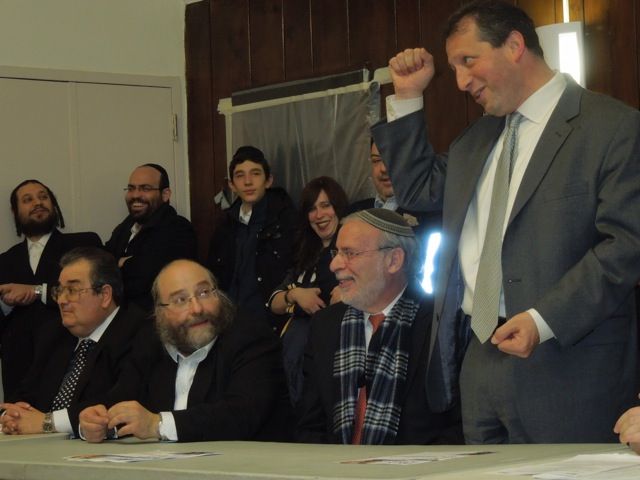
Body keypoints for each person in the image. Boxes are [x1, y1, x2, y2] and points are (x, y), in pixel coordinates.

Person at [371, 0, 640, 443]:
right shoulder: (475, 140)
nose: (459, 81)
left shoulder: (611, 127)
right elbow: (418, 190)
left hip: (568, 364)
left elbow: (626, 246)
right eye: (454, 66)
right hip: (479, 361)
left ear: (515, 45)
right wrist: (406, 96)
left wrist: (543, 319)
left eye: (468, 60)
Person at [296, 209, 462, 445]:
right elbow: (310, 425)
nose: (334, 264)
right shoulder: (325, 325)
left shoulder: (443, 324)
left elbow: (459, 427)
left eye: (349, 253)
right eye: (336, 252)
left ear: (394, 260)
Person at [78, 259, 290, 443]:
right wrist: (96, 422)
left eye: (204, 293)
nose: (197, 309)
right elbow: (121, 398)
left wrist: (158, 425)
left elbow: (240, 415)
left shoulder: (250, 337)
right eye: (180, 300)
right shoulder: (150, 343)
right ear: (160, 313)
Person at [0, 247, 146, 436]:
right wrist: (11, 415)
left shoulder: (139, 331)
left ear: (105, 295)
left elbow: (119, 401)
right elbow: (25, 394)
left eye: (72, 290)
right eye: (59, 291)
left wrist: (47, 422)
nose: (62, 300)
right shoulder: (54, 335)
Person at [0, 179, 101, 399]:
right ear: (15, 211)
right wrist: (5, 304)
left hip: (71, 365)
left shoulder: (83, 244)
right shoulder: (4, 261)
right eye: (28, 200)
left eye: (43, 197)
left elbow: (95, 292)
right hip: (18, 374)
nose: (38, 203)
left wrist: (37, 291)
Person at [267, 176, 348, 406]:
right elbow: (273, 301)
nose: (319, 215)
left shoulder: (349, 251)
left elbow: (330, 301)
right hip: (292, 354)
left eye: (325, 206)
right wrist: (295, 295)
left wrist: (294, 300)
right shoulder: (305, 251)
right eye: (312, 209)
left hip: (327, 357)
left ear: (338, 207)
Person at [207, 146, 296, 329]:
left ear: (268, 180)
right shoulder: (225, 226)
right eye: (240, 176)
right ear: (232, 185)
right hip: (228, 324)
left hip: (269, 324)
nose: (248, 182)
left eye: (255, 174)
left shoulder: (286, 221)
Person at [105, 163, 197, 313]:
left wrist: (121, 265)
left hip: (154, 321)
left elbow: (144, 282)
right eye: (131, 188)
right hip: (121, 318)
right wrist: (121, 264)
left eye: (145, 188)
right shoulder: (125, 227)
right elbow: (101, 264)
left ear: (165, 194)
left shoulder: (178, 229)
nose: (135, 195)